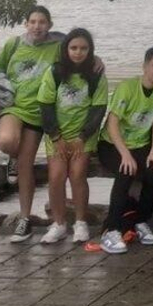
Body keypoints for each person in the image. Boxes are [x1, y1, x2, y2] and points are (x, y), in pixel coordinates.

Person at [0, 6, 63, 244]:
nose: (37, 26)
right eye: (32, 21)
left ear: (50, 25)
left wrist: (95, 59)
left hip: (39, 112)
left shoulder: (57, 46)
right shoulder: (13, 44)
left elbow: (79, 51)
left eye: (42, 22)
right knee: (5, 141)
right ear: (26, 23)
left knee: (26, 166)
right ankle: (11, 155)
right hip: (14, 105)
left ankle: (24, 219)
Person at [95, 48, 153, 254]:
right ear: (145, 66)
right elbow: (112, 123)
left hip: (140, 144)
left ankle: (140, 221)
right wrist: (125, 154)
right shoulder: (127, 87)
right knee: (125, 170)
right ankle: (111, 230)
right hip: (112, 144)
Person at [36, 28, 108, 246]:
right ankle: (58, 224)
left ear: (90, 50)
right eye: (73, 48)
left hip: (83, 135)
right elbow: (45, 105)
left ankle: (81, 222)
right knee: (56, 176)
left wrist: (82, 136)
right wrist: (56, 136)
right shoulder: (55, 72)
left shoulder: (96, 75)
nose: (78, 52)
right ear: (66, 49)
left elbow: (99, 109)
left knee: (77, 174)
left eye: (84, 48)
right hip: (56, 133)